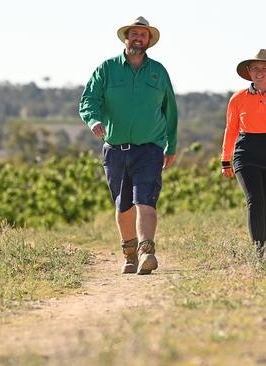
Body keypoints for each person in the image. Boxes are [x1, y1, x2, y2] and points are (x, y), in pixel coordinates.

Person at [79, 16, 178, 275]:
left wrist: (172, 145)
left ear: (148, 41)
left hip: (150, 148)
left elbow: (171, 110)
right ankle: (130, 253)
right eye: (134, 34)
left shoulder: (159, 71)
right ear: (126, 38)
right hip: (115, 149)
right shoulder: (107, 69)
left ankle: (147, 251)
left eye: (143, 35)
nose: (138, 38)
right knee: (123, 205)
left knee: (146, 199)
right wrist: (94, 120)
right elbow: (89, 99)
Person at [221, 49, 266, 258]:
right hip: (246, 152)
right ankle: (258, 251)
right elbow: (231, 130)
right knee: (255, 199)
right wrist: (225, 160)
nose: (259, 72)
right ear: (248, 71)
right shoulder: (237, 98)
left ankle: (265, 248)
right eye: (255, 68)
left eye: (264, 68)